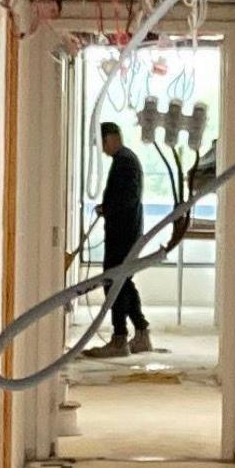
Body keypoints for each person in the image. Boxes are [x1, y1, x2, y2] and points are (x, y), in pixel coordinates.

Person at [92, 120, 154, 356]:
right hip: (125, 231)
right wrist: (106, 208)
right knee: (122, 282)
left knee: (115, 282)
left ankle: (121, 338)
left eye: (102, 143)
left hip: (124, 234)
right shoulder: (124, 160)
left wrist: (108, 209)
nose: (102, 149)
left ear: (111, 138)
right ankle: (140, 333)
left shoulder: (125, 162)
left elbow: (126, 199)